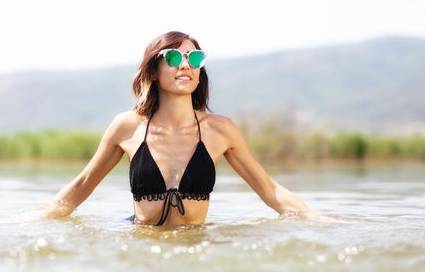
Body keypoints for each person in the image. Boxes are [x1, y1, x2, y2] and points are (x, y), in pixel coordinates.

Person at [43, 31, 313, 226]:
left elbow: (270, 191)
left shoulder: (220, 130)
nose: (185, 65)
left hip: (195, 245)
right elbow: (82, 185)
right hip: (141, 244)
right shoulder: (127, 127)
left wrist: (316, 218)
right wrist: (38, 219)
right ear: (153, 70)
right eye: (173, 57)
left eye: (194, 59)